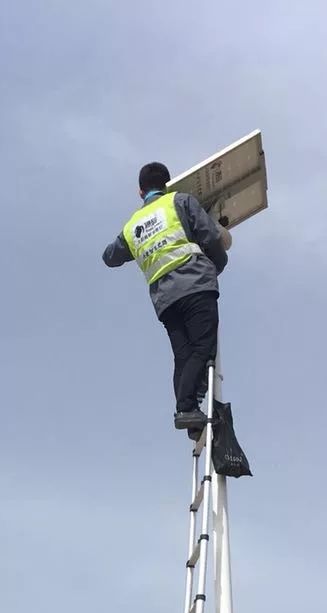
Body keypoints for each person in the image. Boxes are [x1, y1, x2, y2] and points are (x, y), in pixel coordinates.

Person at [103, 160, 229, 435]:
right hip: (195, 284)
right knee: (203, 348)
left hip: (165, 299)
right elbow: (209, 236)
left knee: (183, 356)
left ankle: (190, 416)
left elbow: (110, 257)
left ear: (140, 191)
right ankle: (186, 408)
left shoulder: (132, 226)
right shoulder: (180, 201)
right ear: (166, 184)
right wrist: (218, 264)